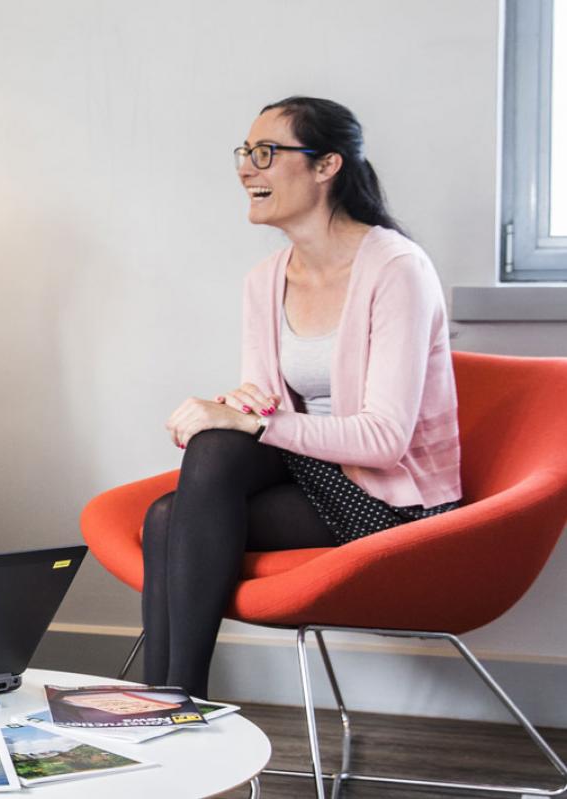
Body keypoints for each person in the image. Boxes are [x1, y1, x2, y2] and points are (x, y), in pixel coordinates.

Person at [142, 96, 462, 699]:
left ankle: (172, 704)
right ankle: (172, 708)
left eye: (265, 153)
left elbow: (385, 441)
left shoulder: (397, 269)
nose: (245, 169)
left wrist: (251, 423)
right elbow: (265, 407)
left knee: (178, 503)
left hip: (392, 502)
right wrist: (239, 414)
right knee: (200, 463)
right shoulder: (265, 281)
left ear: (326, 166)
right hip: (313, 477)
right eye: (244, 153)